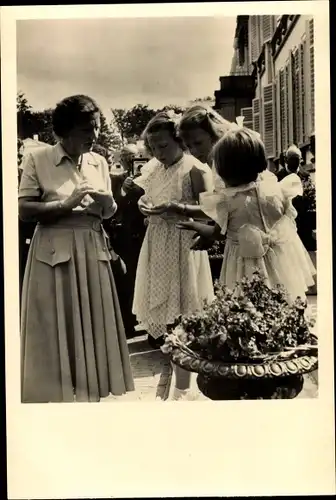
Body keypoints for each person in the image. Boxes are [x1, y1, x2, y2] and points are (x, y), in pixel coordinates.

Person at [19, 94, 134, 403]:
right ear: (64, 131)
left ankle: (89, 396)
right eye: (86, 130)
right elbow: (24, 210)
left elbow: (109, 211)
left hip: (92, 250)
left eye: (96, 128)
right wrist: (65, 204)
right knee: (57, 327)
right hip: (54, 254)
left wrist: (106, 202)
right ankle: (55, 399)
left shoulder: (98, 161)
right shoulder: (38, 159)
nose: (94, 136)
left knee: (92, 330)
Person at [177, 128, 316, 303]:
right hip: (280, 261)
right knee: (282, 300)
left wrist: (194, 225)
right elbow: (286, 223)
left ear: (226, 170)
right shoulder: (277, 190)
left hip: (243, 264)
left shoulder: (228, 201)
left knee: (246, 304)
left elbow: (218, 233)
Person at [130, 111, 215, 400]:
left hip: (183, 245)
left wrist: (177, 207)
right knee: (167, 313)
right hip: (158, 244)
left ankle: (183, 387)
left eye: (163, 146)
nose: (158, 153)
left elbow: (211, 210)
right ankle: (178, 379)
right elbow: (148, 197)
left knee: (185, 313)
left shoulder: (193, 168)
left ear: (179, 141)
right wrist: (144, 205)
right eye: (153, 148)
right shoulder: (155, 168)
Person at [106, 143, 148, 338]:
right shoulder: (115, 179)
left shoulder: (150, 176)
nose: (133, 162)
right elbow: (113, 207)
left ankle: (144, 320)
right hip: (125, 238)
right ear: (121, 160)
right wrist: (123, 190)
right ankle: (128, 323)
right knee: (126, 279)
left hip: (145, 234)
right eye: (128, 158)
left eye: (136, 158)